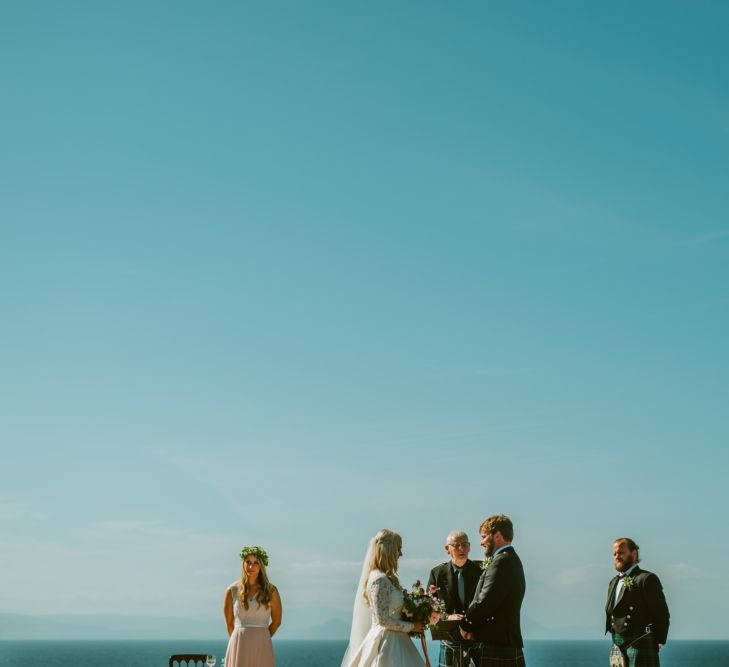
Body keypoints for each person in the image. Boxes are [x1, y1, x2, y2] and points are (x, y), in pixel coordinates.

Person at [341, 529, 426, 667]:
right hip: (386, 643)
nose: (401, 554)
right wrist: (411, 626)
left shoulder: (386, 578)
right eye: (399, 549)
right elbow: (383, 620)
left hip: (397, 639)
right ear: (389, 550)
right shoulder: (379, 580)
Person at [459, 515, 526, 667]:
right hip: (503, 643)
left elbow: (486, 601)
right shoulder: (511, 559)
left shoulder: (502, 561)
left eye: (483, 537)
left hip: (496, 644)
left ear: (497, 536)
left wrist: (465, 625)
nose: (482, 542)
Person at [606, 537, 670, 667]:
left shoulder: (646, 579)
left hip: (640, 643)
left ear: (633, 554)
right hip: (618, 646)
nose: (617, 556)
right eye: (614, 554)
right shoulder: (614, 582)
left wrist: (658, 640)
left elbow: (661, 613)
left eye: (621, 553)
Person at [428, 530, 482, 667]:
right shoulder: (437, 573)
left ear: (470, 547)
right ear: (447, 549)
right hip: (449, 639)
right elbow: (429, 608)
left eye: (465, 545)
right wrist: (447, 617)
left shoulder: (480, 571)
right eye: (456, 545)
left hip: (475, 638)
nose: (461, 549)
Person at [223, 546, 282, 667]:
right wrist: (240, 639)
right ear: (243, 564)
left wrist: (262, 636)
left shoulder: (271, 591)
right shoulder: (232, 590)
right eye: (248, 562)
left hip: (262, 645)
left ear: (261, 566)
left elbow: (276, 622)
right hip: (239, 644)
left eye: (255, 563)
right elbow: (229, 624)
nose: (251, 566)